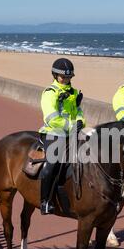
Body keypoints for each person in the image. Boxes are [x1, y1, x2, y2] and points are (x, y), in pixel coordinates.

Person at [38, 58, 85, 215]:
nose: (66, 80)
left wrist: (80, 121)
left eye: (69, 77)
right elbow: (51, 117)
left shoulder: (74, 93)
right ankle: (45, 201)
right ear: (55, 75)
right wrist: (71, 126)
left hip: (72, 134)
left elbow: (78, 112)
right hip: (53, 133)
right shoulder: (49, 93)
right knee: (52, 164)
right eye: (63, 77)